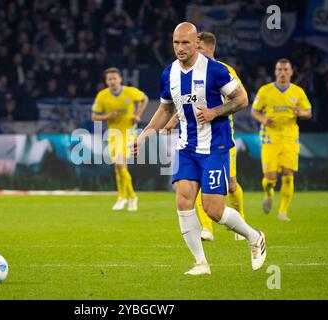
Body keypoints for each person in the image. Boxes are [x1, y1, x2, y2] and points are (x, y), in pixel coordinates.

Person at [131, 22, 266, 275]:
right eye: (175, 43)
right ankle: (201, 263)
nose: (180, 48)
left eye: (185, 43)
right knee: (183, 202)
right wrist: (144, 136)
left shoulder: (215, 71)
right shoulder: (168, 74)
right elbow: (165, 109)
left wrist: (215, 111)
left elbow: (242, 99)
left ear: (196, 44)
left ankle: (254, 236)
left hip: (215, 147)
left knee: (213, 210)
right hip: (186, 147)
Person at [161, 31, 246, 242]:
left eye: (199, 49)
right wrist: (170, 123)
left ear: (209, 48)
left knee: (232, 184)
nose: (193, 52)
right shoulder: (181, 71)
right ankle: (206, 228)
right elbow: (183, 107)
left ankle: (240, 221)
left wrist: (214, 112)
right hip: (193, 139)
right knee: (194, 183)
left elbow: (240, 99)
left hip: (220, 137)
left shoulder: (222, 70)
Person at [251, 59, 312, 221]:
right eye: (279, 70)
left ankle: (283, 212)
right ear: (275, 72)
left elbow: (308, 112)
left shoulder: (298, 92)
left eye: (286, 69)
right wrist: (263, 120)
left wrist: (300, 113)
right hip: (270, 137)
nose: (282, 73)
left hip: (290, 136)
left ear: (291, 72)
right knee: (270, 177)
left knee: (288, 173)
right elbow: (254, 111)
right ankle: (268, 193)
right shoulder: (265, 91)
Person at [92, 67, 149, 211]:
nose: (112, 81)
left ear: (120, 79)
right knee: (120, 167)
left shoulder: (129, 91)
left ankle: (124, 197)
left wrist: (137, 114)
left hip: (128, 133)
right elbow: (94, 116)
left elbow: (144, 99)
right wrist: (107, 116)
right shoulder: (102, 96)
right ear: (106, 81)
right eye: (109, 79)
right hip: (113, 135)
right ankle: (129, 197)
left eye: (114, 78)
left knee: (119, 164)